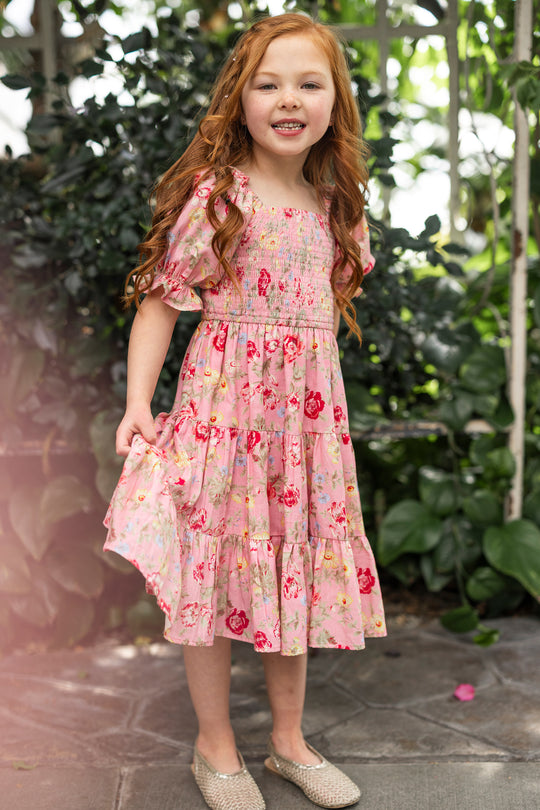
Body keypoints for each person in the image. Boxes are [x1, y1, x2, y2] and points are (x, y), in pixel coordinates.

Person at [103, 12, 386, 810]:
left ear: (335, 101)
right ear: (241, 99)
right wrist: (137, 404)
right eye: (268, 83)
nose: (287, 98)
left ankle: (289, 743)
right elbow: (161, 303)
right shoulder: (220, 196)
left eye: (308, 82)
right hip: (223, 419)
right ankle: (215, 747)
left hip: (300, 434)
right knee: (214, 574)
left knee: (289, 574)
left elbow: (324, 309)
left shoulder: (338, 207)